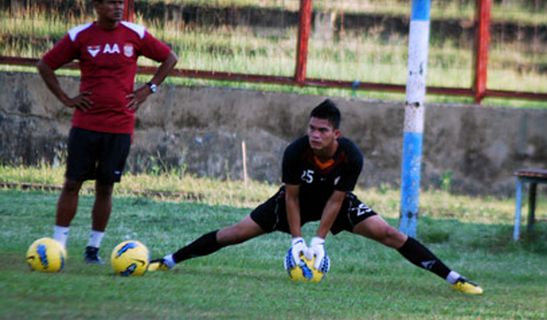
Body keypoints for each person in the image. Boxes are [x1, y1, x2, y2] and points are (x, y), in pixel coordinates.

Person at [148, 99, 483, 295]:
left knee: (390, 234)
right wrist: (297, 240)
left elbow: (337, 201)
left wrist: (318, 241)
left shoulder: (351, 157)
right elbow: (291, 198)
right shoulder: (296, 152)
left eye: (322, 130)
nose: (315, 135)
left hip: (332, 204)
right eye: (311, 128)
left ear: (336, 133)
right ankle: (169, 260)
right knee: (234, 233)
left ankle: (454, 279)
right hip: (297, 201)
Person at [37, 0, 178, 264]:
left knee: (106, 187)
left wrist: (149, 89)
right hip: (85, 126)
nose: (118, 7)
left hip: (120, 128)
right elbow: (45, 65)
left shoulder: (135, 34)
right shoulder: (80, 36)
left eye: (120, 2)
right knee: (72, 184)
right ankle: (58, 247)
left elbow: (169, 57)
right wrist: (66, 99)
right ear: (97, 5)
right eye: (111, 3)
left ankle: (93, 249)